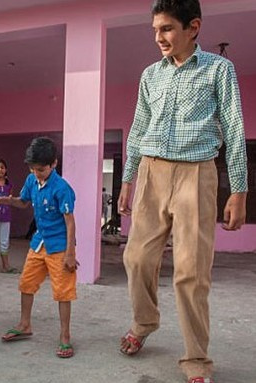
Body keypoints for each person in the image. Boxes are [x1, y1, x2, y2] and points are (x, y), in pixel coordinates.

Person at [117, 2, 247, 383]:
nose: (159, 38)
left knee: (191, 272)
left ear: (193, 27)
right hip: (151, 173)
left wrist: (238, 189)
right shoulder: (149, 76)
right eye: (156, 29)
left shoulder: (219, 69)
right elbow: (138, 129)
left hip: (197, 174)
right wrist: (128, 179)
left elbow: (235, 129)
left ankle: (196, 359)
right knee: (136, 258)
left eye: (167, 29)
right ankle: (144, 323)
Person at [0, 137, 78, 358]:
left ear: (54, 164)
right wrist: (8, 200)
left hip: (60, 246)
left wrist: (70, 254)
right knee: (26, 284)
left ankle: (65, 336)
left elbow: (70, 221)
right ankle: (24, 325)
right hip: (38, 242)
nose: (36, 173)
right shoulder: (31, 180)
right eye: (32, 169)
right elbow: (24, 202)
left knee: (63, 292)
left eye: (41, 169)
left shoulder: (62, 188)